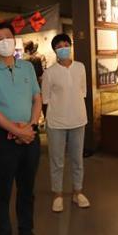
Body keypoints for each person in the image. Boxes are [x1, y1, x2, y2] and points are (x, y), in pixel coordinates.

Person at [0, 23, 43, 235]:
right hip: (3, 139)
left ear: (15, 39)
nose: (5, 41)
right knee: (3, 191)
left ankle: (26, 232)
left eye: (9, 37)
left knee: (27, 189)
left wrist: (31, 126)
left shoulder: (27, 67)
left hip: (30, 135)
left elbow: (37, 98)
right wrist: (17, 131)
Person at [41, 33, 90, 213]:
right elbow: (45, 99)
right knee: (57, 160)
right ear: (55, 50)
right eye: (59, 46)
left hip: (78, 119)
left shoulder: (80, 67)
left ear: (70, 46)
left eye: (66, 45)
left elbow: (83, 92)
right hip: (56, 123)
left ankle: (78, 192)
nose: (63, 48)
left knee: (77, 159)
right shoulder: (49, 73)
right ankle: (58, 194)